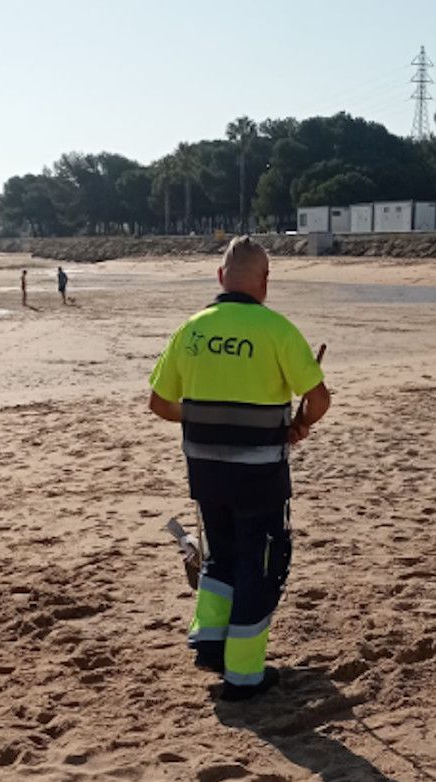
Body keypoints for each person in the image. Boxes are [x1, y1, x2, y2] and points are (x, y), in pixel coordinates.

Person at [148, 236, 330, 702]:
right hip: (260, 475)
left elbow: (160, 403)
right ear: (265, 281)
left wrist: (208, 417)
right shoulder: (276, 329)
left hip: (205, 471)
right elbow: (318, 398)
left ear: (220, 277)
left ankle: (210, 644)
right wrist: (300, 424)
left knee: (220, 553)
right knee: (258, 563)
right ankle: (244, 674)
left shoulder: (191, 329)